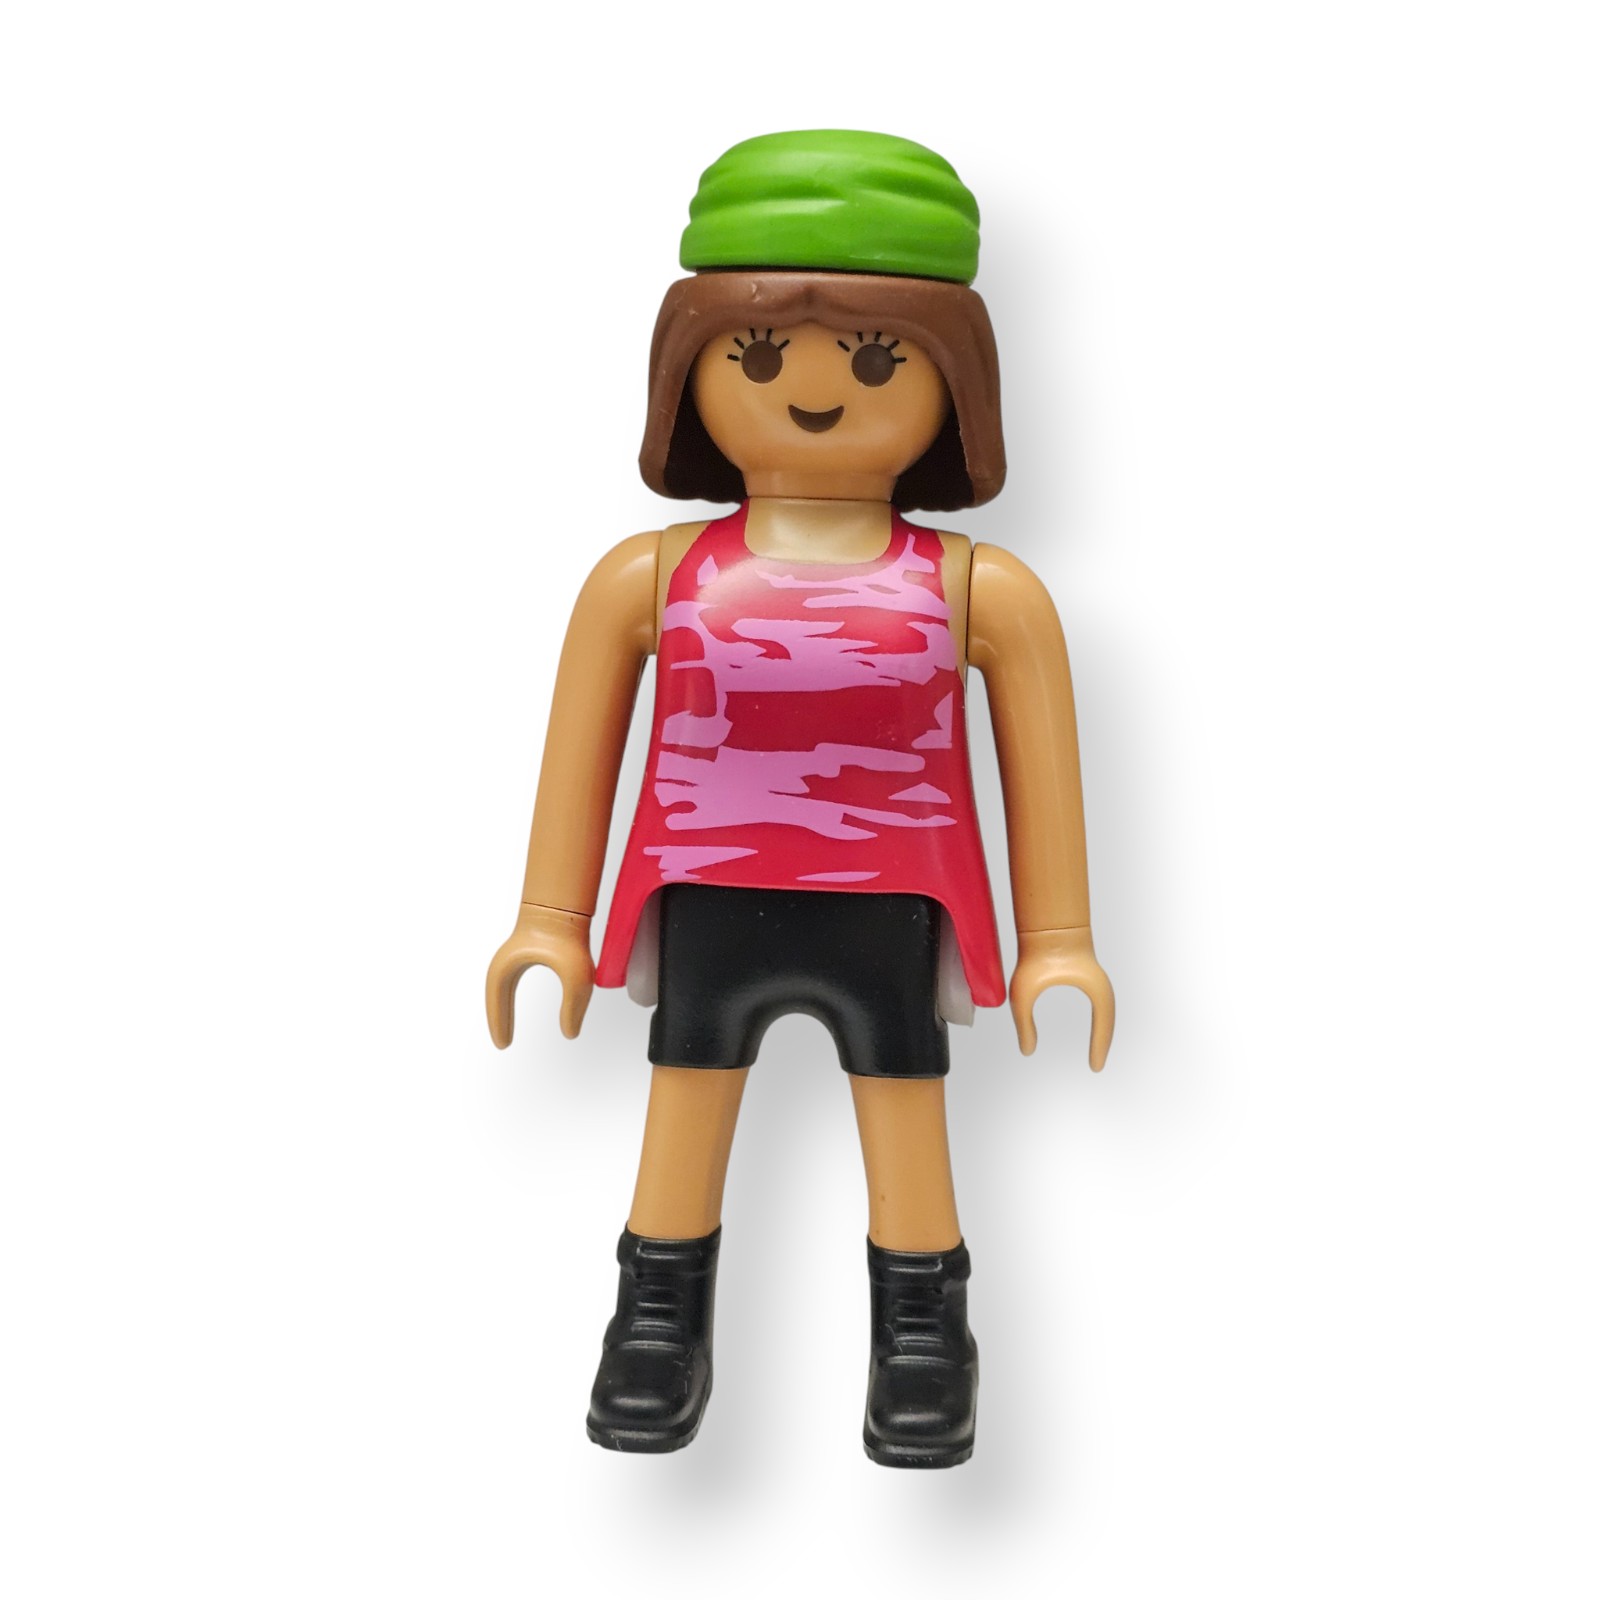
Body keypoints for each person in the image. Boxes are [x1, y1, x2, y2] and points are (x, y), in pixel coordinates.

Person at [485, 130, 1114, 1468]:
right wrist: (550, 919)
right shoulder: (650, 576)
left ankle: (924, 1334)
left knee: (905, 1105)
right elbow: (578, 749)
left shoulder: (978, 590)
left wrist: (1059, 942)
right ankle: (657, 1319)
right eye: (761, 356)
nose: (815, 393)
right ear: (691, 370)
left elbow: (1040, 765)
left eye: (878, 362)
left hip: (893, 900)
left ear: (954, 381)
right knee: (685, 1097)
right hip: (707, 892)